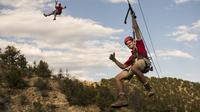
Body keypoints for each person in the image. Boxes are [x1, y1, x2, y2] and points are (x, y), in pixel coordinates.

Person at [109, 14, 155, 108]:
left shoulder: (139, 44)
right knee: (118, 77)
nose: (129, 44)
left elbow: (136, 29)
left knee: (134, 68)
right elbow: (123, 67)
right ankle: (122, 99)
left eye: (130, 42)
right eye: (127, 44)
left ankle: (149, 88)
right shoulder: (132, 57)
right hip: (136, 67)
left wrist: (133, 18)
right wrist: (114, 60)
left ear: (133, 41)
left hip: (144, 62)